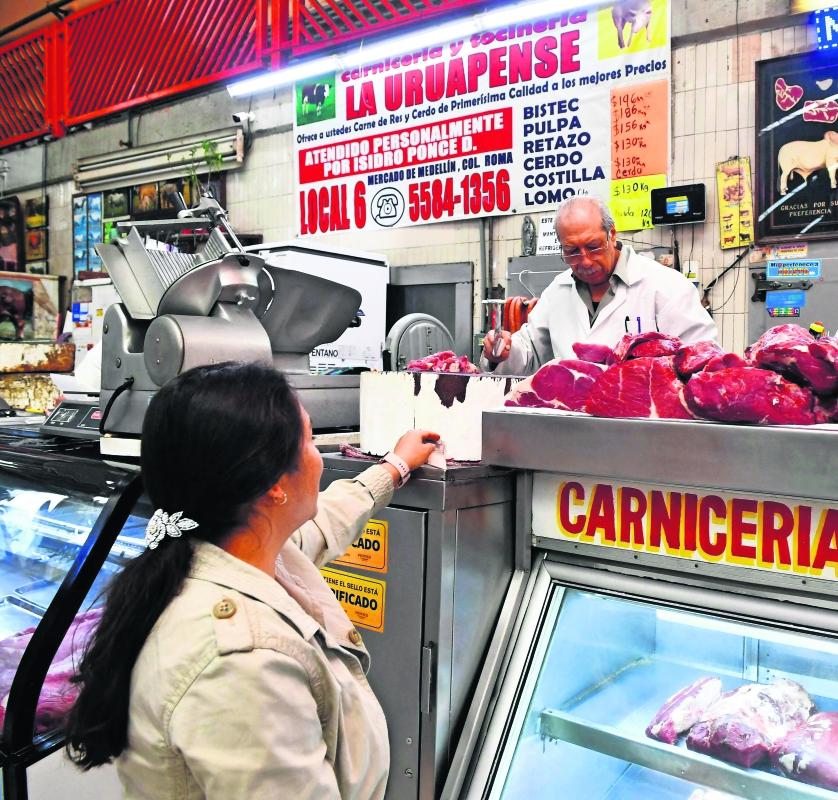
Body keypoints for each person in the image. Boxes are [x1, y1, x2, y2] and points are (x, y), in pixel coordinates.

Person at [65, 362, 439, 799]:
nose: (319, 456)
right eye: (309, 440)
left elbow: (324, 525)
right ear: (274, 486)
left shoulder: (225, 547)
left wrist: (393, 467)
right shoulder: (242, 664)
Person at [482, 195, 718, 374]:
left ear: (611, 235)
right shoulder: (558, 290)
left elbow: (703, 359)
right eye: (571, 251)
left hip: (643, 425)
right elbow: (531, 354)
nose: (585, 260)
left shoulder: (666, 286)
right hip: (571, 421)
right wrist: (502, 352)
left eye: (593, 246)